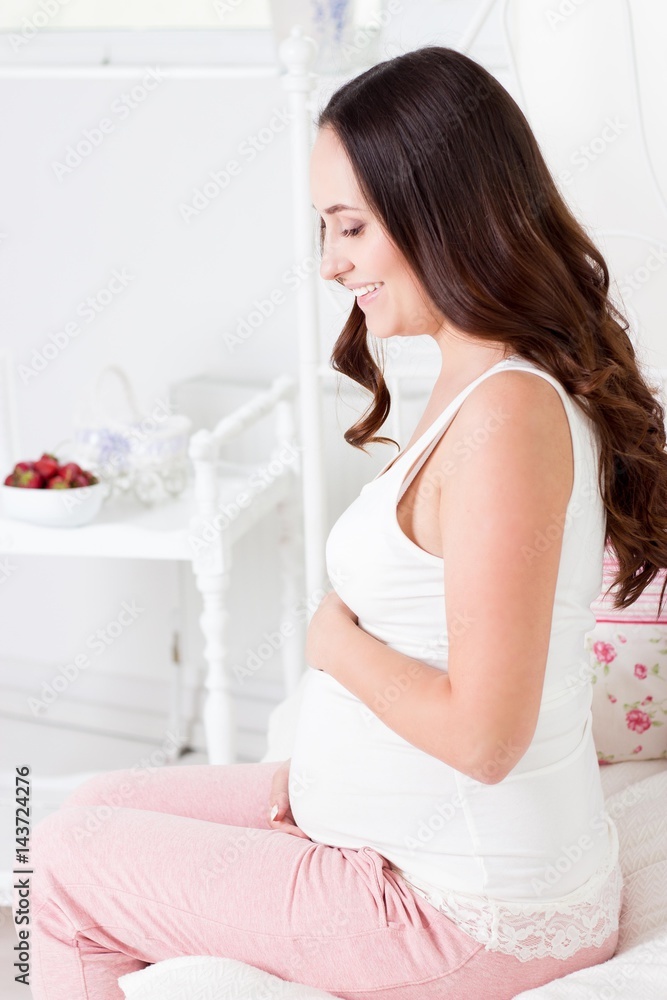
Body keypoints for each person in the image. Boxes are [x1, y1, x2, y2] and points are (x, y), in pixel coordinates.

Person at [18, 45, 667, 1000]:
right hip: (390, 838)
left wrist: (333, 644)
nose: (330, 265)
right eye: (326, 230)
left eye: (350, 227)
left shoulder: (508, 415)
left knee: (67, 853)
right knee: (93, 805)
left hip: (456, 908)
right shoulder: (473, 377)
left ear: (440, 211)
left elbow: (487, 736)